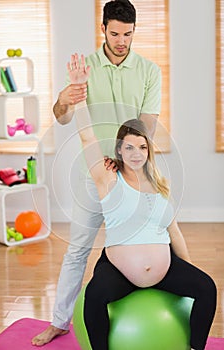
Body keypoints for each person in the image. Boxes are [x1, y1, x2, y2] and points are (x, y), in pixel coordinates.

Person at [32, 0, 162, 346]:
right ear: (103, 28)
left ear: (135, 32)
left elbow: (146, 126)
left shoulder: (149, 70)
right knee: (77, 249)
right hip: (93, 173)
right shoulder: (84, 67)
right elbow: (62, 116)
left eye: (128, 34)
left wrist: (124, 159)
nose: (121, 40)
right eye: (115, 33)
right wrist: (63, 97)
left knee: (148, 246)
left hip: (133, 172)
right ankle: (59, 321)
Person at [70, 54, 217, 350]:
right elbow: (87, 138)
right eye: (129, 147)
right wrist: (78, 91)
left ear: (148, 150)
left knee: (207, 288)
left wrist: (188, 269)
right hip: (120, 272)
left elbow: (173, 232)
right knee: (94, 296)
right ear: (120, 151)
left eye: (142, 146)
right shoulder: (108, 178)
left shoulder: (161, 184)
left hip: (164, 270)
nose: (136, 153)